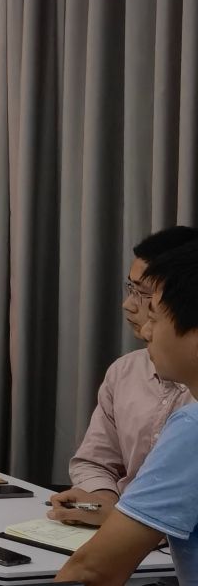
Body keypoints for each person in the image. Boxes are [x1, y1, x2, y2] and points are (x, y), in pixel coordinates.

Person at [61, 241, 198, 586]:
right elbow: (93, 460)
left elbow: (92, 571)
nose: (146, 331)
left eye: (155, 317)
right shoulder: (124, 371)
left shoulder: (193, 428)